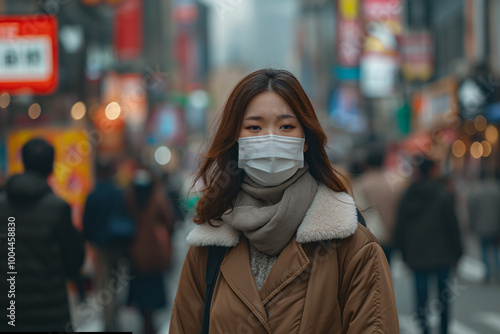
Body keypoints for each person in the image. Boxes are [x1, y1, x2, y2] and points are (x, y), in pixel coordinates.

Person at [169, 69, 399, 333]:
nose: (270, 138)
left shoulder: (352, 246)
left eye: (286, 127)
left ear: (305, 141)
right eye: (254, 127)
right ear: (236, 141)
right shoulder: (209, 246)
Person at [0, 138, 85, 331]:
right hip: (50, 316)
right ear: (51, 168)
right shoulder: (58, 208)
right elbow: (74, 265)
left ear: (23, 163)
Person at [394, 158, 463, 334]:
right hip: (443, 253)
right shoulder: (442, 193)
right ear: (432, 171)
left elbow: (400, 225)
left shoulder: (409, 193)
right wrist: (458, 251)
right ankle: (444, 328)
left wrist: (403, 251)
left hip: (417, 254)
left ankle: (424, 327)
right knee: (443, 297)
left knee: (421, 295)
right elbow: (452, 224)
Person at [82, 159, 132, 331]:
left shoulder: (93, 195)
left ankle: (109, 321)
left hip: (101, 247)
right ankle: (115, 315)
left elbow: (86, 223)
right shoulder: (119, 193)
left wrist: (90, 239)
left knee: (105, 284)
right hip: (119, 244)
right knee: (118, 282)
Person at [126, 168, 175, 334]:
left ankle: (144, 319)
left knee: (139, 290)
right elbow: (169, 220)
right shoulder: (157, 197)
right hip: (155, 252)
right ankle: (150, 320)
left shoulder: (130, 198)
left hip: (135, 252)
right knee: (153, 290)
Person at [352, 143, 402, 265]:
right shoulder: (394, 181)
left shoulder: (361, 183)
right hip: (394, 233)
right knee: (389, 267)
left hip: (373, 234)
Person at [466, 169, 500, 284]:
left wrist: (471, 225)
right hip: (495, 227)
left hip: (482, 227)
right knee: (495, 250)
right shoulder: (497, 191)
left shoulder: (476, 193)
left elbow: (472, 211)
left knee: (484, 251)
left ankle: (488, 274)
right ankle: (498, 273)